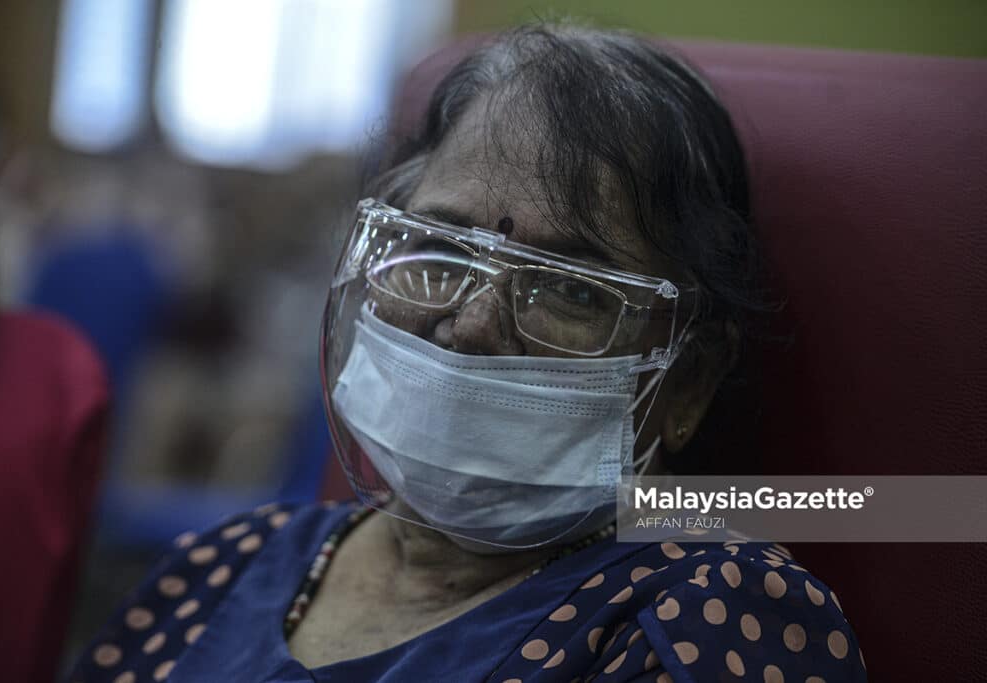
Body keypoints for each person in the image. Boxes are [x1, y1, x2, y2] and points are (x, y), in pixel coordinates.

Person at [68, 25, 866, 682]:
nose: (473, 322)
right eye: (441, 255)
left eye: (574, 290)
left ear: (687, 380)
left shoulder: (704, 615)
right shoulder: (222, 568)